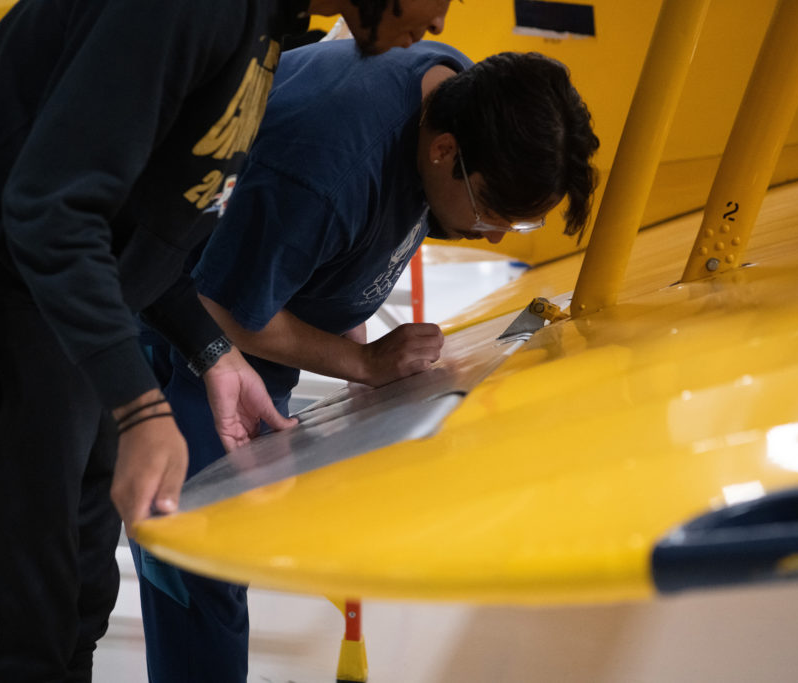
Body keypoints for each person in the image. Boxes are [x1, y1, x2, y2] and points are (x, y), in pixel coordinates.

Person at [0, 0, 457, 680]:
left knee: (78, 600)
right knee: (17, 627)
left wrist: (211, 349)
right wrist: (142, 406)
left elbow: (142, 225)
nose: (439, 21)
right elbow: (53, 211)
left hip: (58, 302)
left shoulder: (262, 26)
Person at [132, 38, 600, 681]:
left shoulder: (454, 91)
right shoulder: (324, 171)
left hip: (254, 303)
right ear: (444, 152)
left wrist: (363, 343)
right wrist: (366, 364)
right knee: (196, 561)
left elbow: (331, 243)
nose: (492, 235)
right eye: (493, 213)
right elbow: (226, 308)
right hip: (176, 333)